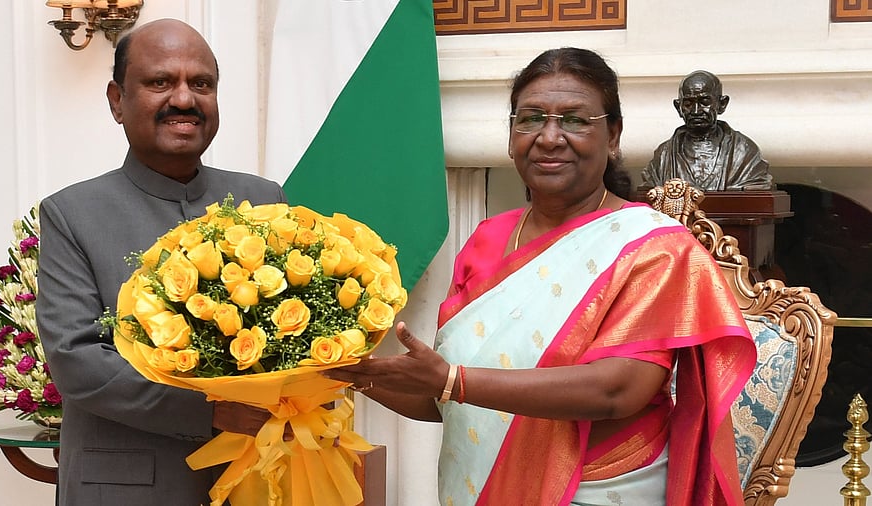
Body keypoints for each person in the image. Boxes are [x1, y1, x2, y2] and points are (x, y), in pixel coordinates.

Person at [324, 48, 757, 505]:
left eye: (574, 120)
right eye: (531, 119)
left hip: (599, 489)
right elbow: (444, 398)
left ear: (613, 135)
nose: (549, 138)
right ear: (512, 136)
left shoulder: (654, 248)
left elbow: (617, 389)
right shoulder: (487, 240)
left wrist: (453, 380)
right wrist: (342, 371)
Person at [36, 19, 285, 506]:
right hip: (128, 486)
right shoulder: (72, 213)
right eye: (159, 82)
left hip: (259, 477)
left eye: (202, 84)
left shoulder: (264, 200)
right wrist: (209, 411)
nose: (185, 99)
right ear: (116, 101)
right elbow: (77, 360)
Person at [640, 69, 773, 191]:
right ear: (678, 107)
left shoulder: (744, 152)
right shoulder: (663, 155)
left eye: (704, 102)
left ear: (722, 104)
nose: (696, 111)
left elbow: (756, 192)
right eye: (688, 103)